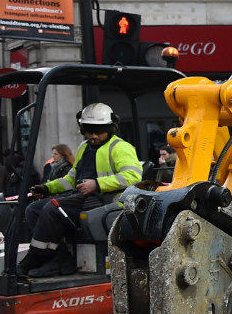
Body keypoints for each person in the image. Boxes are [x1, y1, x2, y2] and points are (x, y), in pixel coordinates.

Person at [19, 103, 142, 277]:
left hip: (104, 202)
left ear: (110, 128)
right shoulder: (84, 147)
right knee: (33, 209)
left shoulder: (120, 147)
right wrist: (47, 188)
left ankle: (37, 257)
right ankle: (57, 258)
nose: (93, 135)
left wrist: (97, 184)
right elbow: (71, 179)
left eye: (98, 131)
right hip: (83, 198)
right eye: (88, 131)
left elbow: (133, 176)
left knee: (53, 208)